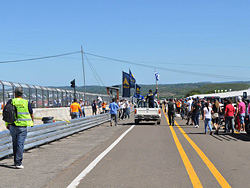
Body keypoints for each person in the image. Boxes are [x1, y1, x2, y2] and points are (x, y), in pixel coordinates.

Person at [5, 87, 34, 169]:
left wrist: (7, 124)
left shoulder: (11, 101)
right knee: (20, 144)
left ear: (15, 94)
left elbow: (7, 113)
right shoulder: (26, 102)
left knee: (15, 143)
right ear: (22, 94)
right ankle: (18, 162)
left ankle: (15, 161)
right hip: (22, 126)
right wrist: (32, 122)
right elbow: (31, 113)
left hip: (13, 126)